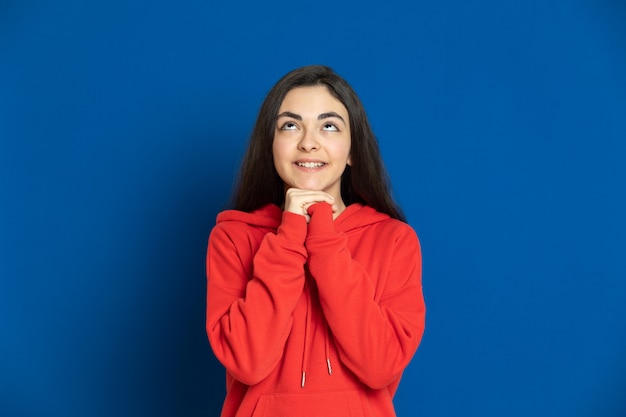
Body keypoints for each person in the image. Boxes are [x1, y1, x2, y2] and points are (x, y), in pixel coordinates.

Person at [206, 65, 425, 417]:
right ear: (272, 145)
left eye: (329, 126)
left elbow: (380, 365)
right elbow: (248, 361)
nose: (308, 141)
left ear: (353, 150)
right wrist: (290, 233)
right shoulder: (233, 237)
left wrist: (323, 235)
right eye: (290, 125)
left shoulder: (394, 240)